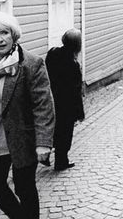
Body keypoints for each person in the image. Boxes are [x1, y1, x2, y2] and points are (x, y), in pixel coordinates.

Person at [0, 11, 55, 219]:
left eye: (4, 33)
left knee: (24, 188)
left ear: (14, 34)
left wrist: (43, 142)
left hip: (21, 137)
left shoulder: (30, 64)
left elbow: (43, 106)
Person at [45, 29, 85, 171]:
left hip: (50, 100)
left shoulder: (52, 53)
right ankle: (61, 162)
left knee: (50, 130)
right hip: (66, 106)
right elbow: (75, 92)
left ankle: (45, 156)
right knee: (64, 134)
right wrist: (80, 112)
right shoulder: (73, 65)